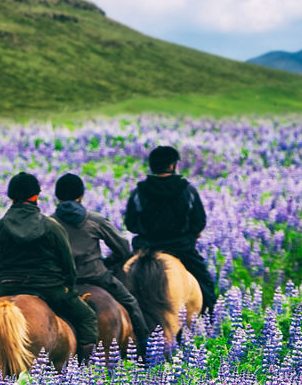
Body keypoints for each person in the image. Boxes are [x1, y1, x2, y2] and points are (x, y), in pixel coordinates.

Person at [0, 172, 100, 361]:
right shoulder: (51, 226)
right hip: (49, 288)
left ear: (11, 197)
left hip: (8, 286)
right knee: (87, 318)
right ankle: (86, 370)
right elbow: (67, 263)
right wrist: (69, 285)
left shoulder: (0, 227)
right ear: (36, 196)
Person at [50, 172, 150, 344]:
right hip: (96, 276)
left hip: (62, 281)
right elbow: (123, 248)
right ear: (81, 196)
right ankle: (145, 347)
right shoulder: (95, 220)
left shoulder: (49, 222)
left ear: (57, 197)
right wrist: (106, 263)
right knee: (131, 303)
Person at [124, 145, 217, 313]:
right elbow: (199, 222)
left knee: (119, 284)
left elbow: (130, 224)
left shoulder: (139, 191)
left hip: (145, 249)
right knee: (206, 287)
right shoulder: (187, 190)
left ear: (152, 166)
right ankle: (209, 323)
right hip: (180, 248)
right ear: (173, 165)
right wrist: (189, 235)